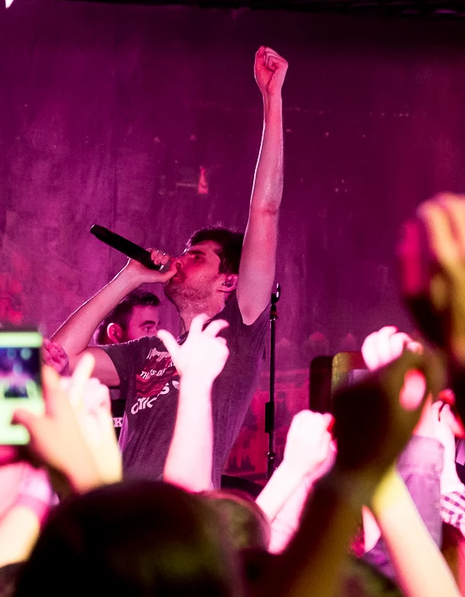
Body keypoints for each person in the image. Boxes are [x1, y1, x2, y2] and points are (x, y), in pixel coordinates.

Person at [49, 46, 287, 485]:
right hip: (125, 513)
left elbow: (265, 210)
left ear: (229, 280)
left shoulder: (238, 330)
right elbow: (59, 358)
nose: (180, 259)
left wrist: (272, 100)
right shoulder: (148, 350)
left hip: (184, 514)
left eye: (197, 256)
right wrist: (129, 277)